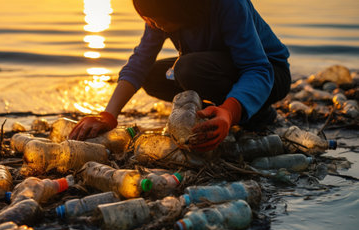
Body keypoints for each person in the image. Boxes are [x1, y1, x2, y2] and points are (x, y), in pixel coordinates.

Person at [69, 0, 291, 151]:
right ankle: (216, 114)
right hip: (217, 69)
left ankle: (256, 113)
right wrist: (109, 115)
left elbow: (257, 69)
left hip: (270, 73)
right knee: (154, 75)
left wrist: (229, 112)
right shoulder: (162, 10)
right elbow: (140, 62)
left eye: (155, 20)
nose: (152, 25)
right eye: (148, 19)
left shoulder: (228, 5)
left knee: (187, 68)